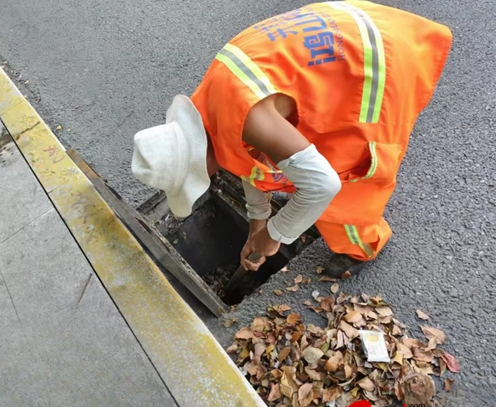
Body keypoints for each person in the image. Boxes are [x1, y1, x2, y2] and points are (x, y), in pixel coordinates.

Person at [131, 0, 452, 278]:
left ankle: (363, 248)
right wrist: (258, 221)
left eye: (201, 176)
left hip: (378, 65)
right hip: (350, 24)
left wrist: (275, 234)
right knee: (303, 162)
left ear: (199, 160)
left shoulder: (252, 121)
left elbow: (323, 185)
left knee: (350, 179)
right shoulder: (211, 103)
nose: (210, 178)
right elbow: (253, 160)